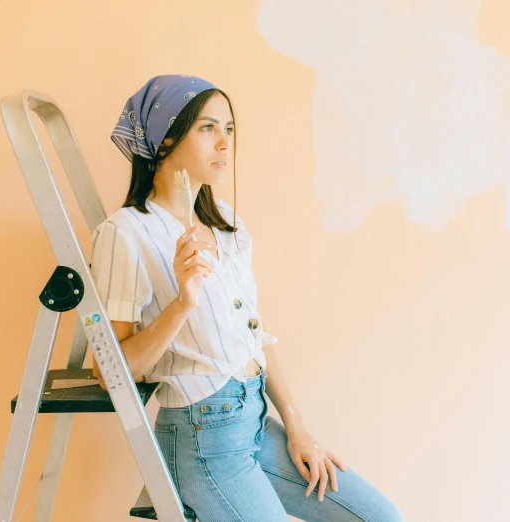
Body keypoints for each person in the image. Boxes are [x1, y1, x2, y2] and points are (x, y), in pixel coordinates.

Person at [89, 74, 404, 522]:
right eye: (208, 128)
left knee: (383, 517)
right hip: (202, 440)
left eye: (230, 129)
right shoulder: (125, 234)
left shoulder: (226, 226)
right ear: (164, 140)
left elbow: (257, 335)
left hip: (255, 422)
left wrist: (296, 427)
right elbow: (110, 372)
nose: (225, 143)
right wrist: (183, 302)